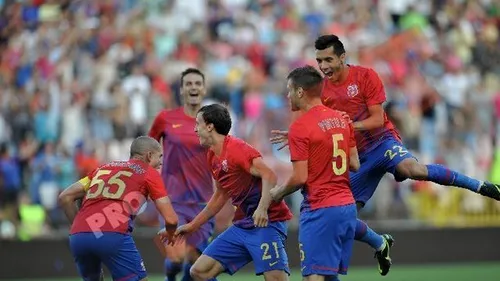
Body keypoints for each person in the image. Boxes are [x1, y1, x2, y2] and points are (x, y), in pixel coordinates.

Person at [271, 34, 500, 276]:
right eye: (319, 61)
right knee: (343, 214)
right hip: (358, 157)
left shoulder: (365, 76)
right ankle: (380, 243)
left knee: (413, 170)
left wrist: (347, 125)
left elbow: (377, 119)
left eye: (328, 59)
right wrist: (300, 133)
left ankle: (480, 186)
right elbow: (319, 125)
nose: (324, 66)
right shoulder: (321, 91)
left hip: (382, 143)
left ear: (342, 57)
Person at [175, 104, 293, 281]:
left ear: (209, 126)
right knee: (199, 272)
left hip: (267, 223)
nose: (195, 129)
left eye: (198, 123)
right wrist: (193, 226)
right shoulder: (212, 156)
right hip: (243, 225)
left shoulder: (237, 149)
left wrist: (262, 208)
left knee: (276, 279)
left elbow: (269, 175)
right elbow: (221, 195)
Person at [270, 65, 360, 281]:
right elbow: (355, 164)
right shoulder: (342, 119)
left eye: (290, 90)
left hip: (321, 209)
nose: (288, 95)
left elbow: (300, 178)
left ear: (300, 92)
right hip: (347, 207)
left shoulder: (300, 127)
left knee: (313, 277)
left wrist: (278, 193)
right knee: (328, 276)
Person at [58, 136, 179, 281]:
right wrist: (171, 233)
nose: (161, 163)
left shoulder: (102, 168)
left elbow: (65, 197)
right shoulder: (149, 173)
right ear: (149, 156)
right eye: (160, 157)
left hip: (79, 237)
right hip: (112, 234)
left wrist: (83, 229)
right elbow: (171, 219)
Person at [149, 68, 225, 281]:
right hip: (171, 200)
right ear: (181, 90)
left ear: (204, 88)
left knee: (197, 263)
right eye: (189, 84)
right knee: (176, 258)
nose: (193, 87)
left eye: (197, 84)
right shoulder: (165, 118)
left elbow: (225, 156)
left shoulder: (213, 123)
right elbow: (146, 152)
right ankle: (170, 277)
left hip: (203, 203)